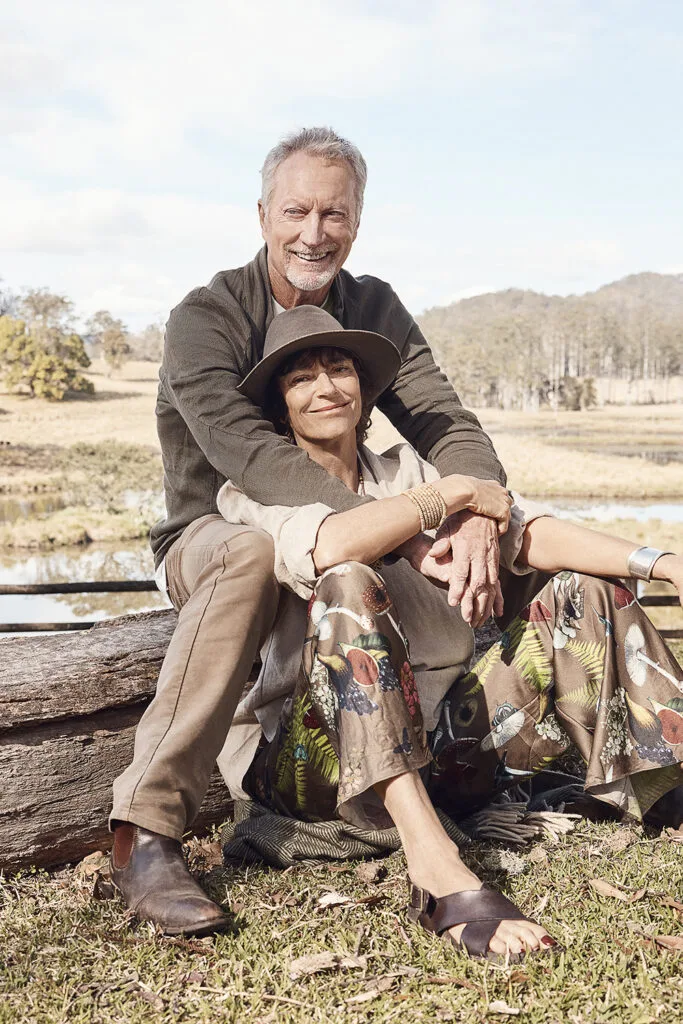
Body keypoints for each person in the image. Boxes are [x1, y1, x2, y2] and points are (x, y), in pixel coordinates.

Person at [109, 127, 515, 935]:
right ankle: (145, 833)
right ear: (262, 214)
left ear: (356, 222)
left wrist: (473, 507)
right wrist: (408, 522)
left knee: (510, 561)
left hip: (349, 529)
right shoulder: (205, 316)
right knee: (255, 553)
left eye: (334, 213)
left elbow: (444, 420)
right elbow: (251, 457)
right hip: (219, 525)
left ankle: (514, 764)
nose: (313, 232)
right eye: (295, 210)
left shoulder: (374, 307)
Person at [213, 304, 683, 961]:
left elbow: (529, 533)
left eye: (338, 368)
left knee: (585, 590)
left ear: (362, 387)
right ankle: (434, 868)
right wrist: (452, 495)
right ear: (279, 406)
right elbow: (330, 547)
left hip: (438, 742)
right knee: (348, 582)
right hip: (310, 761)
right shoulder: (253, 493)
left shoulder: (403, 471)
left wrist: (661, 563)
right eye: (301, 378)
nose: (325, 387)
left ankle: (662, 787)